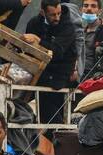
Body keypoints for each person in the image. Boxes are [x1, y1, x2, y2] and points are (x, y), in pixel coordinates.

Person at [24, 0, 78, 142]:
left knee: (52, 115)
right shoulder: (34, 23)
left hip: (59, 75)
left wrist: (38, 41)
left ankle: (62, 143)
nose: (57, 18)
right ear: (43, 12)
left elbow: (57, 51)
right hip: (37, 73)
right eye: (53, 15)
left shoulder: (67, 27)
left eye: (59, 13)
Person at [80, 0, 103, 79]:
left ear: (100, 11)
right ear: (81, 10)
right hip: (79, 74)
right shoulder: (81, 33)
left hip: (95, 78)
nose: (89, 9)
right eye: (86, 6)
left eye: (93, 6)